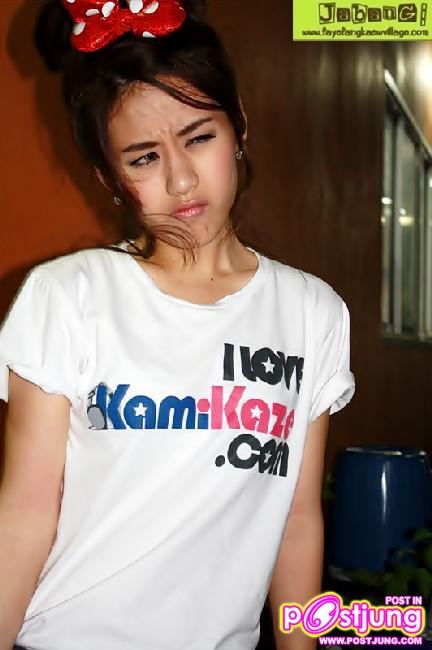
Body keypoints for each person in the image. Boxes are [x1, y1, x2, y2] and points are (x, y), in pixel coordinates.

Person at [0, 1, 356, 649]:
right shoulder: (68, 296)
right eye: (143, 158)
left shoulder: (313, 313)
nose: (181, 178)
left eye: (198, 137)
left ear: (238, 125)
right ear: (109, 177)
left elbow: (298, 520)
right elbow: (23, 514)